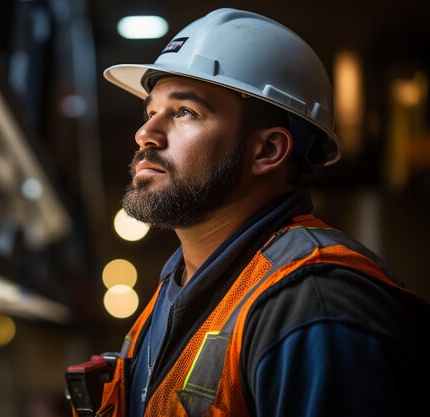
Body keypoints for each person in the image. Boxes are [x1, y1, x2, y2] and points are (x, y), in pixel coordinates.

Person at [68, 8, 429, 417]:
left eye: (185, 112)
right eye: (151, 112)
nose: (145, 134)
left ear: (267, 151)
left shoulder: (313, 306)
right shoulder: (174, 294)